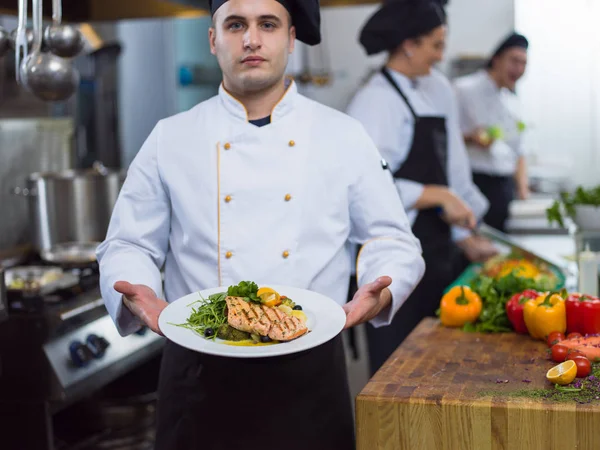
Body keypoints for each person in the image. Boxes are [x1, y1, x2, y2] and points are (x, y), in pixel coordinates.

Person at [96, 0, 425, 449]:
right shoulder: (169, 137)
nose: (251, 39)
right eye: (235, 25)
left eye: (267, 24)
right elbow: (129, 242)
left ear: (290, 39)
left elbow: (391, 238)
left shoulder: (343, 135)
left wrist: (380, 287)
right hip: (198, 372)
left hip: (308, 373)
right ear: (213, 39)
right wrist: (139, 289)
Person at [346, 0, 497, 374]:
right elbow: (360, 189)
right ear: (408, 44)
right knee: (397, 372)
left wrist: (468, 229)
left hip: (436, 252)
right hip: (390, 264)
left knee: (438, 364)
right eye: (435, 45)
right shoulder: (374, 101)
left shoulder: (436, 88)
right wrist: (436, 195)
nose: (441, 55)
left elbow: (454, 167)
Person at [453, 32, 530, 232]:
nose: (519, 69)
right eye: (514, 61)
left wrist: (523, 188)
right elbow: (444, 139)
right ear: (496, 59)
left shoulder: (510, 100)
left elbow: (519, 151)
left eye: (523, 63)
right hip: (475, 182)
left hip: (503, 189)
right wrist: (471, 138)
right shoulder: (464, 89)